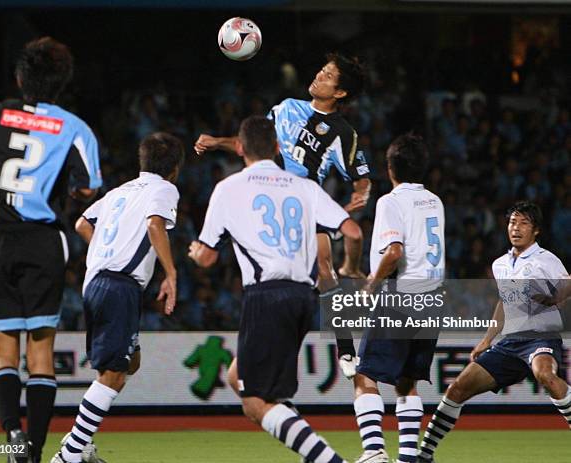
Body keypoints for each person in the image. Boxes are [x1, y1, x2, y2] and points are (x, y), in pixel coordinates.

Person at [0, 37, 102, 463]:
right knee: (41, 353)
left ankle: (12, 437)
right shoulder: (75, 127)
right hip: (44, 241)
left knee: (3, 352)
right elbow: (88, 186)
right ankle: (36, 452)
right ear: (62, 84)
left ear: (20, 77)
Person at [189, 116, 363, 463]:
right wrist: (351, 267)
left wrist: (196, 253)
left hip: (266, 296)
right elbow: (353, 232)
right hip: (302, 298)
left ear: (239, 148)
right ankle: (310, 451)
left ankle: (327, 460)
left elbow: (207, 258)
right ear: (278, 148)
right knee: (242, 375)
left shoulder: (228, 188)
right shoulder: (305, 187)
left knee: (254, 402)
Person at [195, 52, 371, 376]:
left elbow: (360, 177)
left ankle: (345, 347)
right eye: (321, 69)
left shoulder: (343, 133)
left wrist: (361, 194)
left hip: (305, 200)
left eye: (328, 76)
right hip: (267, 192)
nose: (319, 76)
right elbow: (254, 143)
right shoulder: (287, 106)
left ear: (340, 93)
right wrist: (217, 141)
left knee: (323, 264)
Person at [51, 132, 183, 463]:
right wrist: (171, 273)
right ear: (175, 169)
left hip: (96, 283)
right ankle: (70, 453)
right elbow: (155, 225)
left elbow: (82, 223)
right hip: (119, 285)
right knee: (113, 375)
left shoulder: (119, 191)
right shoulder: (165, 189)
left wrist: (107, 250)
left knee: (126, 364)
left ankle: (79, 444)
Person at [417, 201, 571, 463]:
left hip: (540, 337)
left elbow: (567, 285)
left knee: (544, 374)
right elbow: (503, 302)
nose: (516, 228)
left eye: (524, 223)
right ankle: (425, 454)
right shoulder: (500, 264)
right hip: (509, 343)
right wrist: (486, 340)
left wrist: (553, 297)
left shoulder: (545, 260)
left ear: (536, 231)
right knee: (456, 390)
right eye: (513, 222)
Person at [353, 134, 445, 463]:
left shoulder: (390, 202)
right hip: (432, 300)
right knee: (407, 383)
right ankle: (408, 457)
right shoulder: (435, 201)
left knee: (364, 376)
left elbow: (394, 251)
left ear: (390, 167)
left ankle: (374, 452)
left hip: (402, 296)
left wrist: (372, 283)